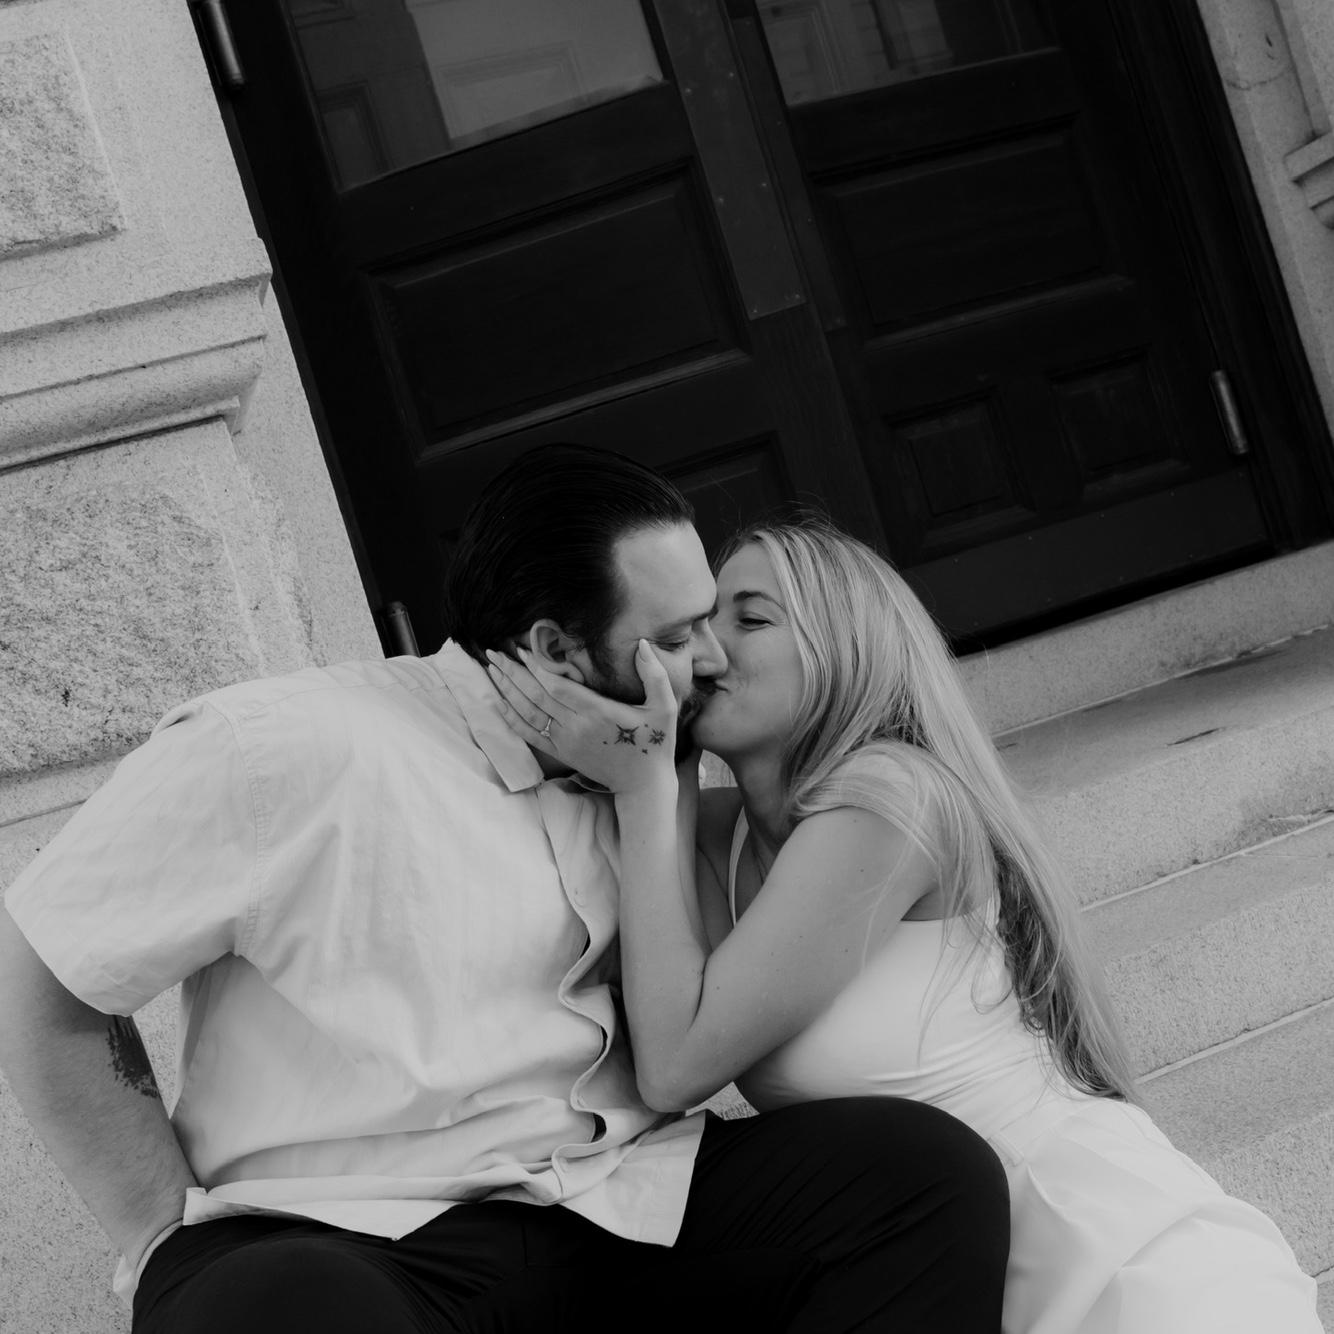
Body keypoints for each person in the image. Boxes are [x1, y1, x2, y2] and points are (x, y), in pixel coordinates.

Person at [0, 447, 1010, 1334]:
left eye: (709, 622)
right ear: (555, 650)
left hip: (616, 1199)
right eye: (672, 637)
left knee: (918, 1175)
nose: (707, 661)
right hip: (353, 1233)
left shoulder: (647, 768)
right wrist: (156, 1230)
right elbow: (43, 969)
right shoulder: (283, 747)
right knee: (271, 1306)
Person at [488, 514, 1322, 1334]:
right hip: (951, 1275)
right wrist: (656, 770)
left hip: (1111, 1259)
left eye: (751, 619)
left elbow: (675, 1069)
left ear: (843, 648)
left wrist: (646, 789)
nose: (705, 654)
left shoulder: (891, 800)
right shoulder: (722, 838)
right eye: (697, 627)